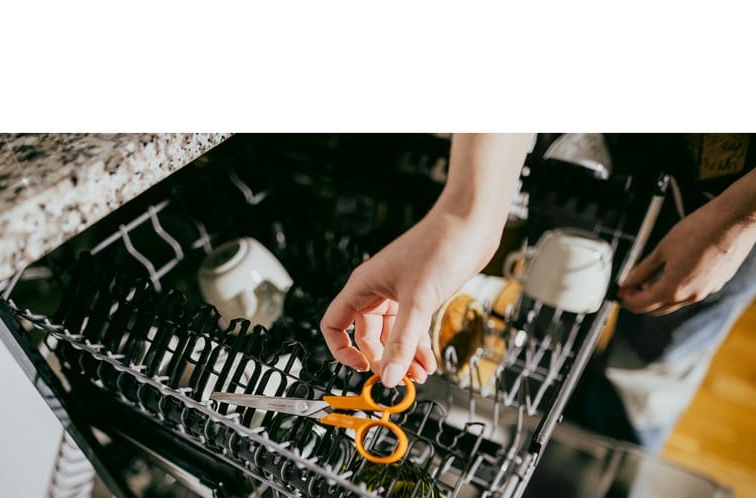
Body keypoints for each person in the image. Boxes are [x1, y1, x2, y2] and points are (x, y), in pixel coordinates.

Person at [320, 133, 756, 453]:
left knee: (651, 363)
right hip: (592, 151)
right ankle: (556, 445)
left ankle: (611, 464)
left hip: (734, 190)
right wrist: (467, 217)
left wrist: (738, 221)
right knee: (548, 321)